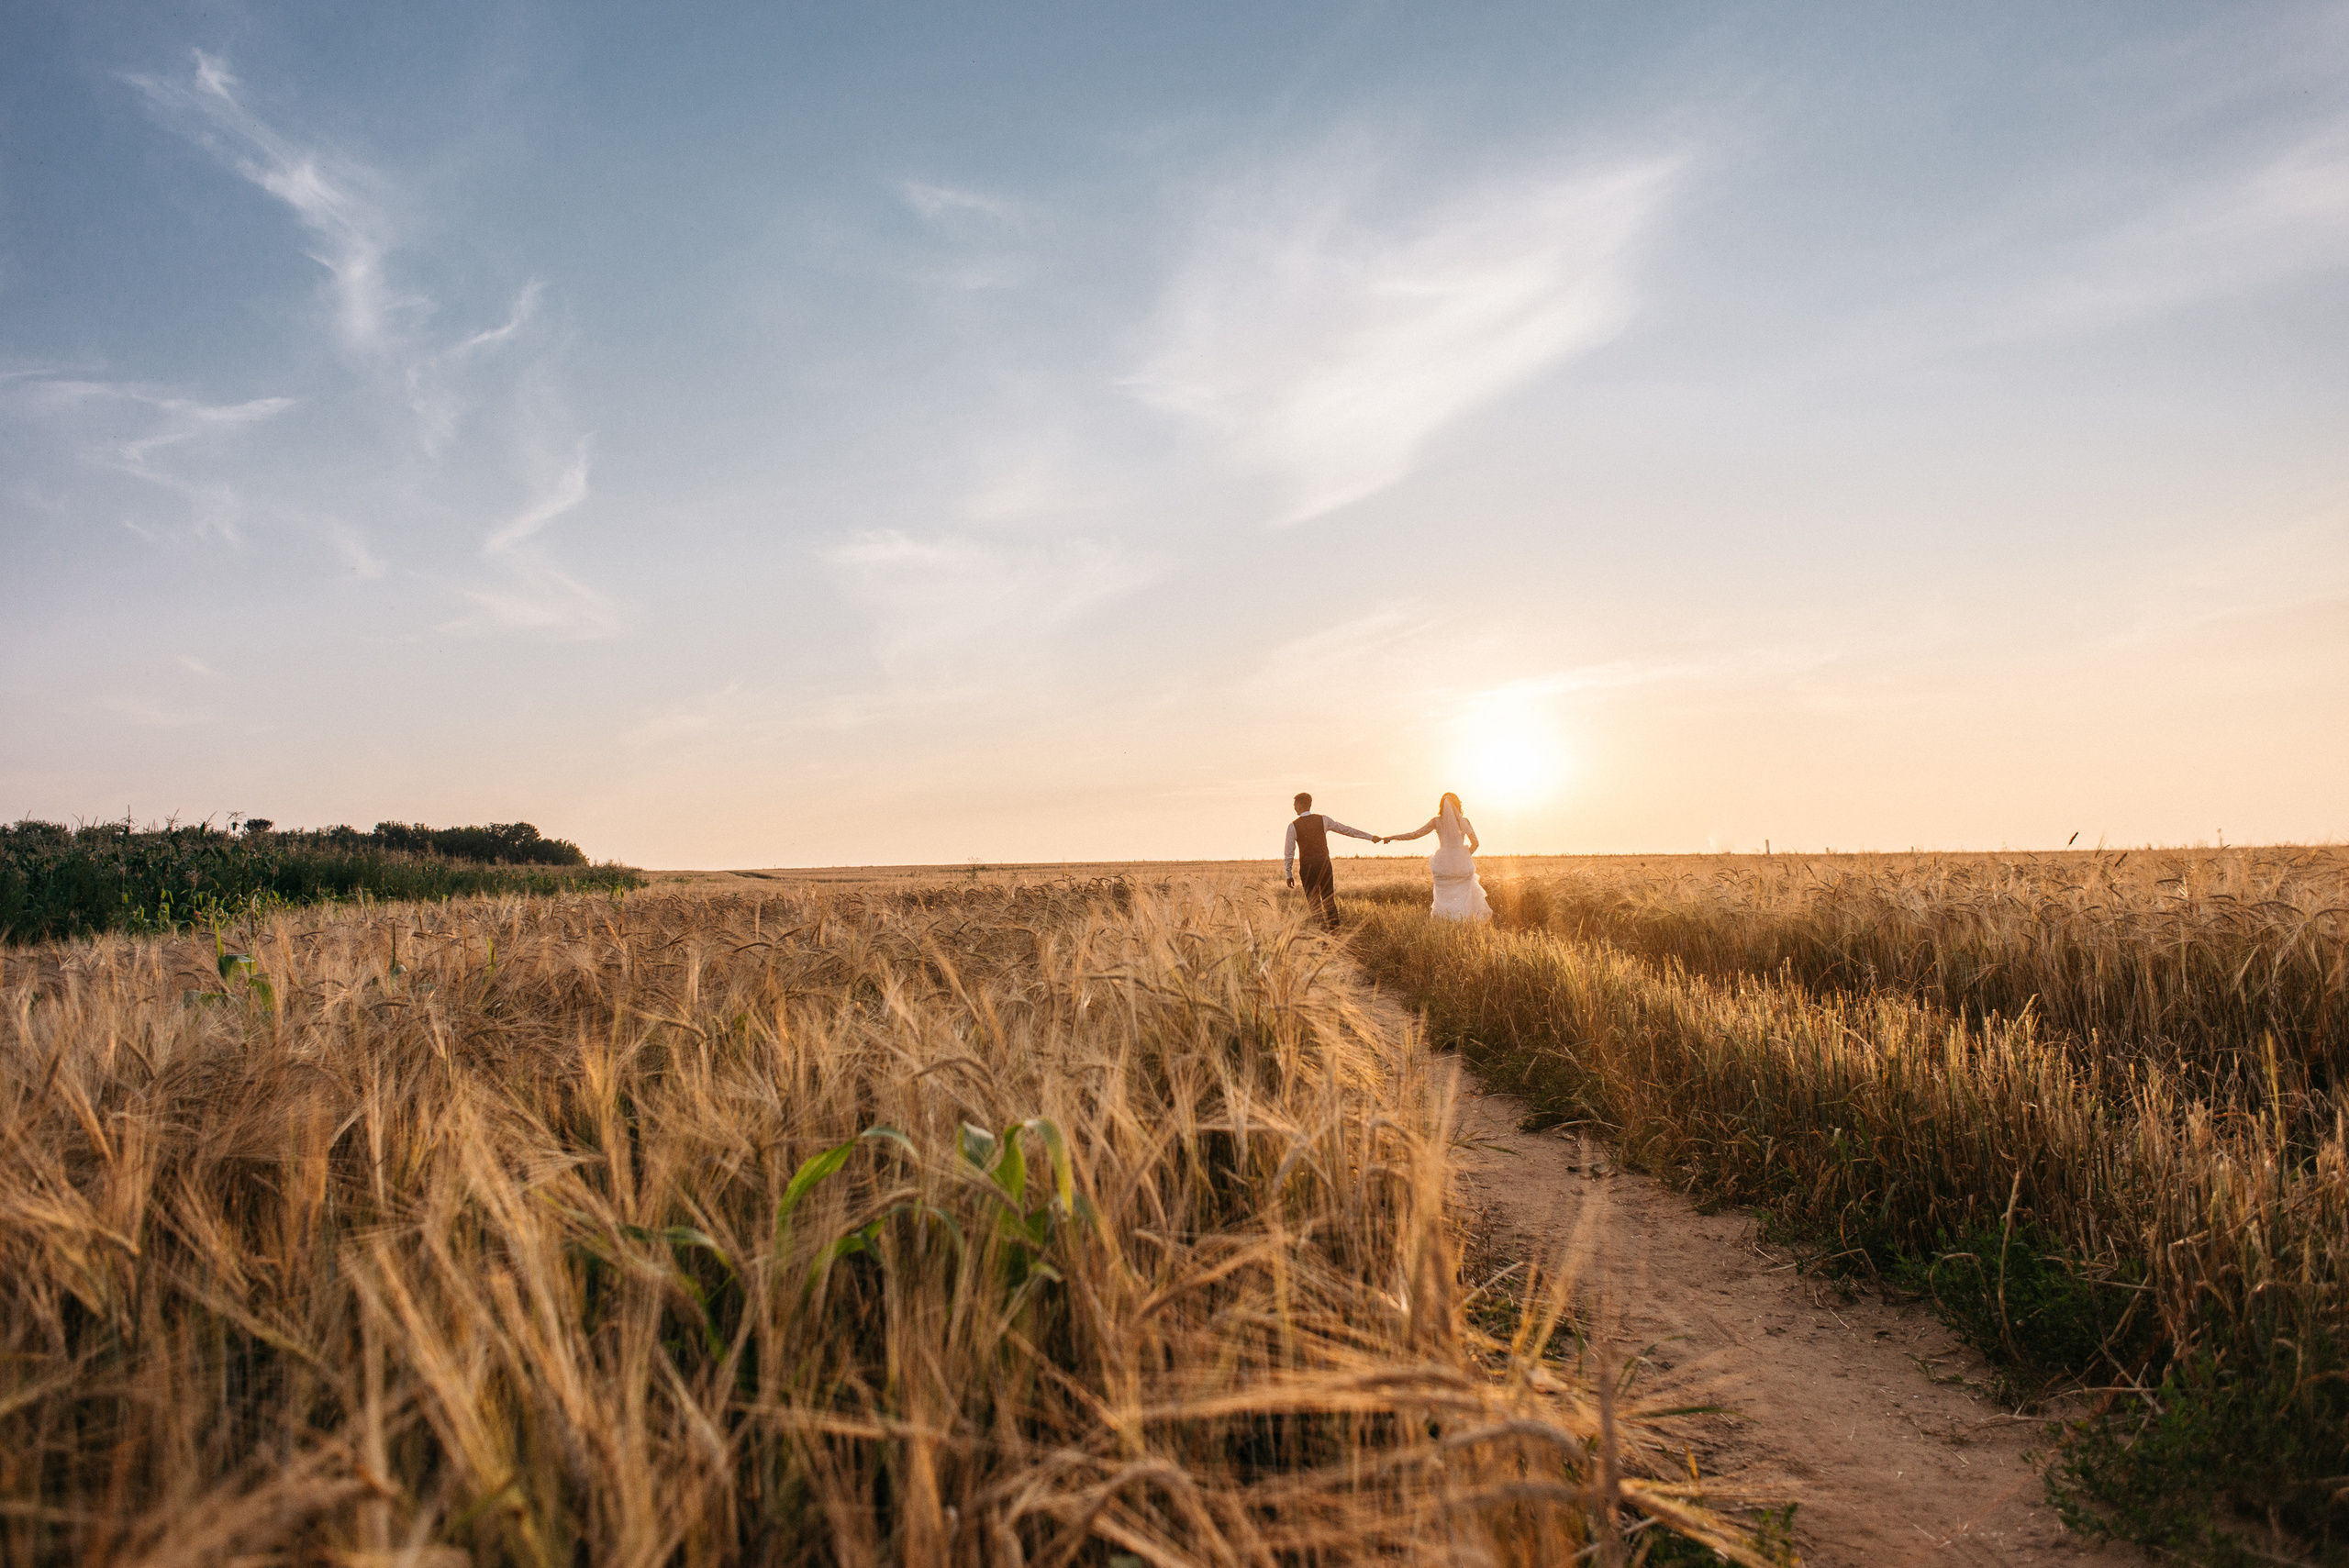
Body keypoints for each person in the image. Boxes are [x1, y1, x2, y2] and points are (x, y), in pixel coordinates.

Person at [1381, 792, 1492, 920]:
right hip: (1462, 866)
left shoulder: (1436, 821)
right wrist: (1463, 857)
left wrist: (1393, 837)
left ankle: (1446, 922)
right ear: (1457, 804)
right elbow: (1476, 843)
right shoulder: (1464, 821)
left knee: (1444, 898)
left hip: (1443, 866)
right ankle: (1463, 923)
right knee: (1464, 897)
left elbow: (1415, 834)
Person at [1284, 792, 1377, 929]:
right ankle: (1336, 934)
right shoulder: (1323, 820)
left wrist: (1288, 874)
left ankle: (1323, 938)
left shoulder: (1293, 826)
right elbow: (1346, 830)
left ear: (1299, 805)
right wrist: (1370, 837)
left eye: (1294, 805)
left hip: (1307, 868)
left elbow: (1289, 853)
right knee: (1329, 901)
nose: (1293, 808)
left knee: (1314, 904)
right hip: (1324, 865)